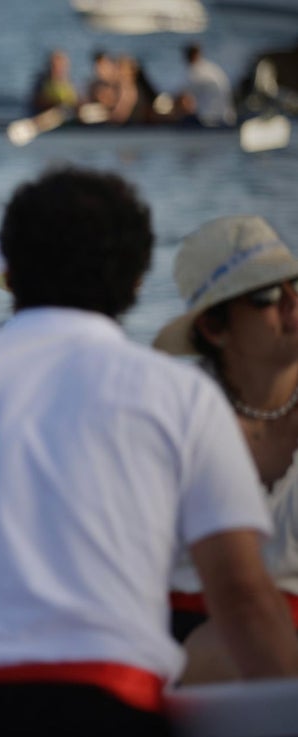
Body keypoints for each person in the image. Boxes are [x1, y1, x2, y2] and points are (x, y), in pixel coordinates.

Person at [0, 166, 298, 735]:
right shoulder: (178, 394)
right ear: (136, 282)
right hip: (105, 703)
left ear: (11, 270)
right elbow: (242, 597)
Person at [153, 215, 298, 681]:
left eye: (295, 284)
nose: (292, 302)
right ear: (215, 327)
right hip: (189, 630)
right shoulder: (169, 409)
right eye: (266, 295)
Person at [183, 42, 236, 126]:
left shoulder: (194, 72)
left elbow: (185, 99)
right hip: (228, 116)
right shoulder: (211, 67)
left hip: (209, 118)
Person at [29, 49, 77, 115]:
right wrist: (54, 103)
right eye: (56, 66)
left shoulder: (71, 83)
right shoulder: (42, 83)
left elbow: (76, 101)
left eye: (62, 65)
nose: (59, 69)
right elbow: (36, 102)